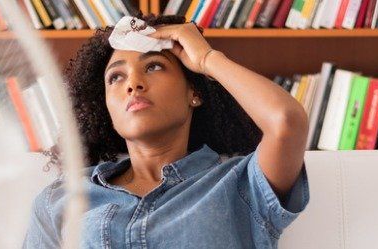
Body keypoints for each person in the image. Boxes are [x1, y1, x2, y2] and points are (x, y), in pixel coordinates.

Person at [23, 14, 310, 249]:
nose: (132, 83)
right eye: (116, 77)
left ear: (194, 93)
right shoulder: (63, 198)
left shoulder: (241, 184)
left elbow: (286, 121)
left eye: (154, 66)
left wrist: (207, 57)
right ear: (106, 107)